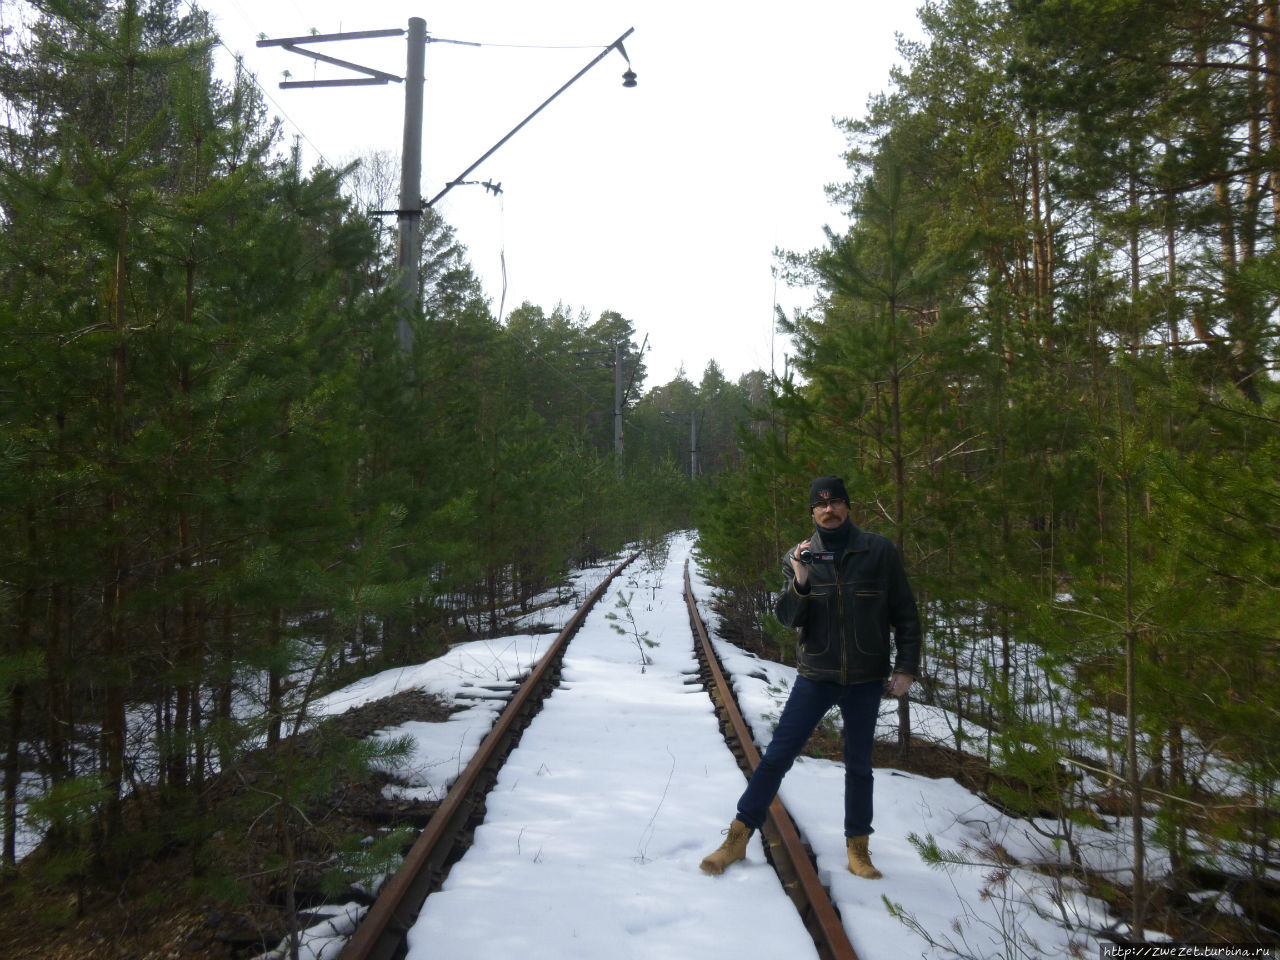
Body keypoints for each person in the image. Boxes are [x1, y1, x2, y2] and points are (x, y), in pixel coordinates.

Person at [700, 475, 922, 879]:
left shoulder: (878, 551)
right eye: (820, 505)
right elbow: (787, 619)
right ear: (812, 512)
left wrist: (906, 667)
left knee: (859, 765)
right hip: (816, 675)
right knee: (777, 757)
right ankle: (736, 838)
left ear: (848, 507)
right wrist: (801, 578)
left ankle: (859, 848)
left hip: (865, 677)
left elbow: (906, 614)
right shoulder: (798, 556)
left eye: (836, 502)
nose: (828, 510)